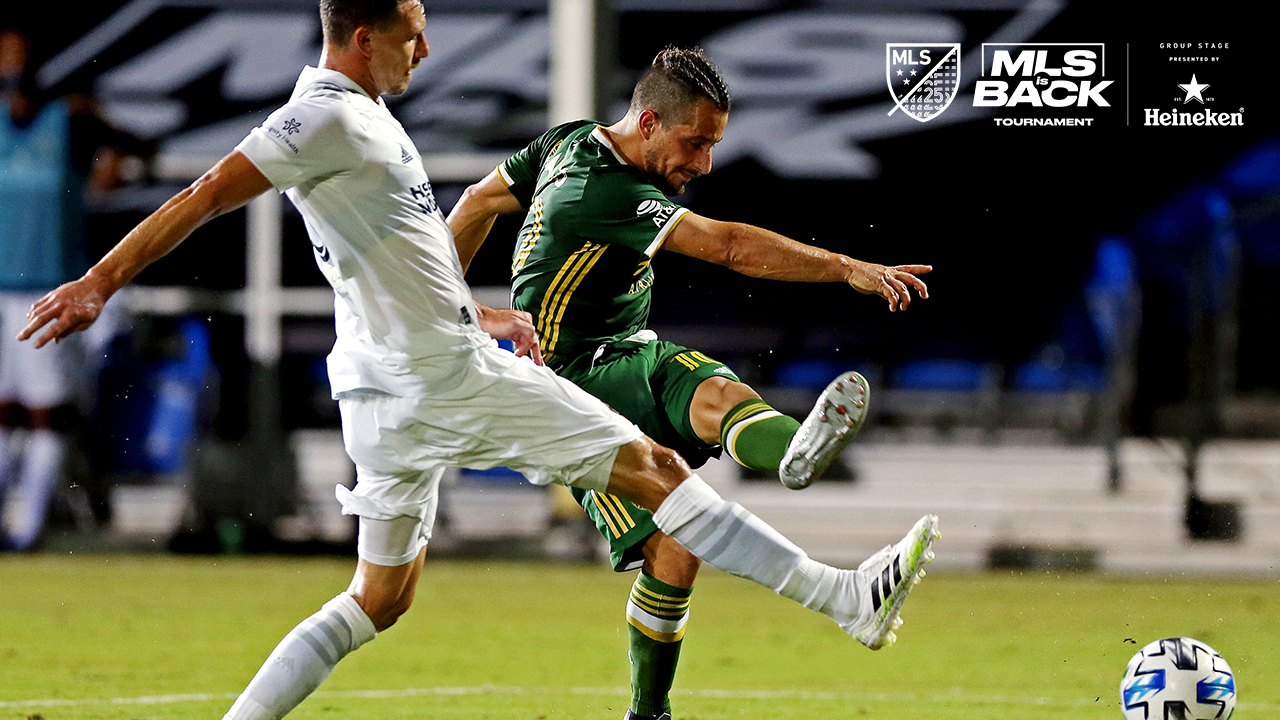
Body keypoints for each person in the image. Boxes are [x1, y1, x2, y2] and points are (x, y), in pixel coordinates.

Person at [18, 3, 939, 718]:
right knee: (659, 472)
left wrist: (476, 307)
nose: (425, 51)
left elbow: (413, 246)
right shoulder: (323, 121)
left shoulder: (366, 123)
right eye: (413, 35)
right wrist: (99, 281)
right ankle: (844, 597)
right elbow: (208, 192)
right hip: (441, 376)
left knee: (378, 598)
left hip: (379, 388)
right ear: (365, 36)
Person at [446, 46, 934, 720]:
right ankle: (680, 692)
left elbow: (477, 200)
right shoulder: (602, 190)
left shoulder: (567, 142)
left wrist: (454, 302)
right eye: (694, 142)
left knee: (715, 411)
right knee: (674, 534)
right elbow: (730, 245)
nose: (703, 162)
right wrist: (845, 266)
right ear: (648, 123)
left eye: (713, 144)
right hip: (565, 393)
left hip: (628, 352)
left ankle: (792, 457)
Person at [0, 26, 143, 550]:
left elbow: (134, 146)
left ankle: (27, 528)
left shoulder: (71, 117)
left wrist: (115, 166)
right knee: (5, 411)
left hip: (45, 288)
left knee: (45, 413)